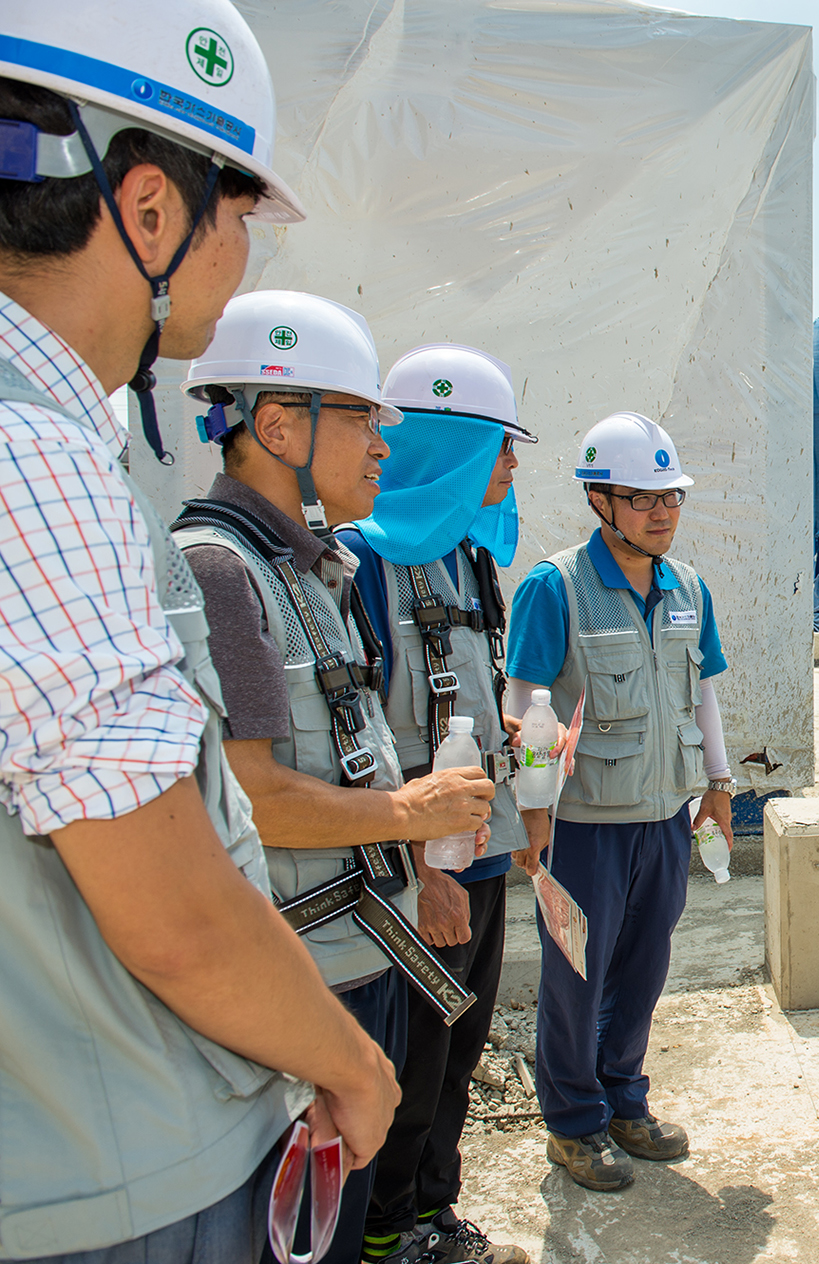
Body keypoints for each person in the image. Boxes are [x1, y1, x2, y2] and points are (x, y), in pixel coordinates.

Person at [0, 4, 400, 1259]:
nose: (244, 250)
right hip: (116, 1171)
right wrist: (346, 1062)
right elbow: (166, 896)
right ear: (152, 208)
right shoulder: (36, 460)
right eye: (238, 205)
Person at [174, 291, 497, 1264]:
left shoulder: (312, 572)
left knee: (344, 1224)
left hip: (362, 958)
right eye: (361, 416)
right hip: (301, 981)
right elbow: (253, 798)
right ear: (278, 423)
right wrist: (410, 814)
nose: (383, 447)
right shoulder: (222, 575)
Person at [337, 345, 536, 1264]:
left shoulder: (469, 561)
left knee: (459, 1049)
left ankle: (432, 1209)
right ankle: (386, 1229)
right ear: (455, 449)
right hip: (411, 870)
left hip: (478, 851)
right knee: (411, 1060)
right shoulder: (358, 566)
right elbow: (358, 739)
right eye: (501, 446)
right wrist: (422, 873)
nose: (512, 467)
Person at [505, 412, 734, 1192]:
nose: (663, 513)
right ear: (599, 501)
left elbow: (702, 694)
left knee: (642, 968)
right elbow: (526, 700)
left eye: (671, 498)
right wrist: (533, 810)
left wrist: (720, 785)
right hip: (584, 829)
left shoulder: (689, 587)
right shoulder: (553, 586)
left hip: (666, 819)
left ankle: (624, 1099)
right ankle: (572, 1125)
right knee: (576, 976)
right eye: (642, 499)